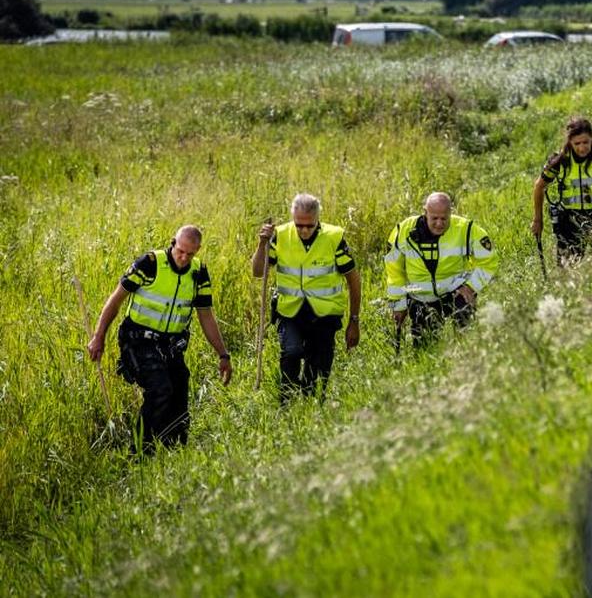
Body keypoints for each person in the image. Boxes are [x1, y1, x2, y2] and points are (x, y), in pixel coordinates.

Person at [86, 225, 233, 453]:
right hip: (137, 340)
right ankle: (139, 454)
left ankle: (173, 452)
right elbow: (115, 301)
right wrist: (99, 337)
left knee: (179, 387)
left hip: (171, 345)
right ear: (173, 242)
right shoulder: (150, 263)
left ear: (198, 251)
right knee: (160, 388)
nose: (183, 258)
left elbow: (206, 316)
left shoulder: (199, 272)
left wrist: (223, 354)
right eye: (180, 251)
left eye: (190, 253)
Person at [251, 193, 361, 402]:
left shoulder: (333, 238)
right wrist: (262, 244)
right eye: (299, 225)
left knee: (317, 373)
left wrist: (354, 320)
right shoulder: (280, 235)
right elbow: (257, 272)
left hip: (325, 315)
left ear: (317, 220)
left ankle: (311, 406)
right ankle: (287, 404)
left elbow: (353, 280)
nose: (303, 230)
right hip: (290, 311)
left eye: (309, 226)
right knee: (291, 353)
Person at [385, 192, 497, 346]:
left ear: (451, 213)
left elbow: (488, 261)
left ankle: (465, 360)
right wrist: (398, 306)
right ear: (425, 213)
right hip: (421, 299)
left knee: (466, 341)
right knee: (425, 349)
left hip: (455, 292)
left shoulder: (466, 229)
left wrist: (471, 287)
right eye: (434, 218)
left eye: (444, 218)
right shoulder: (403, 231)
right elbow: (394, 270)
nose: (439, 223)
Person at [531, 117, 592, 263]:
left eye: (586, 142)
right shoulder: (561, 159)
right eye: (577, 143)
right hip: (569, 221)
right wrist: (538, 220)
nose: (582, 148)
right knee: (567, 272)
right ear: (569, 142)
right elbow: (539, 187)